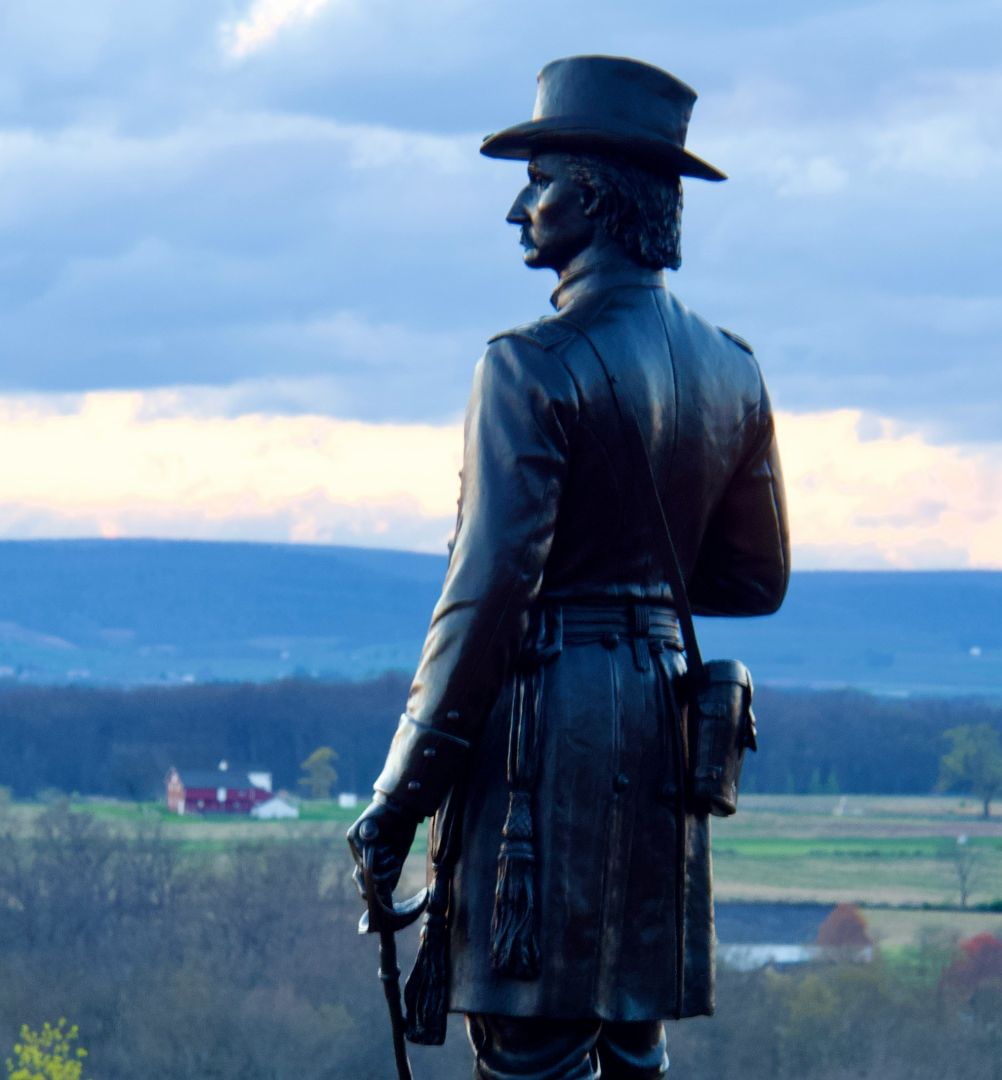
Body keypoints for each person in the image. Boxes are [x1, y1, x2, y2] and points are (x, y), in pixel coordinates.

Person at [347, 55, 791, 1079]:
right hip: (658, 722)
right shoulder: (733, 367)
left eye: (536, 183)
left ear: (590, 199)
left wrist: (396, 800)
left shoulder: (527, 365)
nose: (517, 211)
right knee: (631, 1035)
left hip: (549, 738)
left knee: (533, 1045)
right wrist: (638, 577)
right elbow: (754, 581)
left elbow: (483, 601)